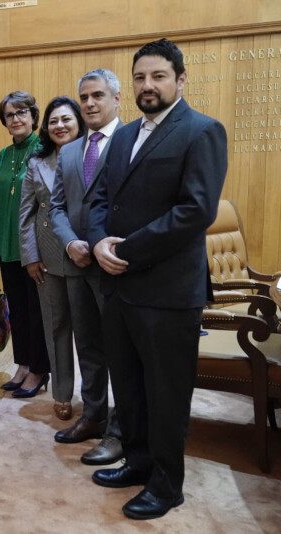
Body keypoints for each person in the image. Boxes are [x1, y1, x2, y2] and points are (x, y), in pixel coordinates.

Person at [88, 38, 227, 520]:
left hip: (167, 291)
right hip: (120, 286)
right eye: (141, 78)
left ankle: (167, 486)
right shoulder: (124, 135)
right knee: (128, 388)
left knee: (167, 396)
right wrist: (101, 239)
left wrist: (125, 250)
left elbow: (195, 211)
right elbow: (102, 198)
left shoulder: (202, 131)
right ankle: (140, 461)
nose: (148, 85)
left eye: (159, 76)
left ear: (180, 80)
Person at [49, 69, 125, 466]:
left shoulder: (133, 142)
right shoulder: (71, 152)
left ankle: (121, 429)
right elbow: (57, 206)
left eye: (98, 95)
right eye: (84, 97)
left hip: (116, 266)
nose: (91, 103)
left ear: (116, 98)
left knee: (121, 351)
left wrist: (101, 246)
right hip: (77, 262)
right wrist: (70, 241)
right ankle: (93, 415)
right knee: (88, 346)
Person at [19, 96, 84, 416]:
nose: (60, 126)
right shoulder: (36, 163)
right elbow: (26, 214)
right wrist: (30, 257)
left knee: (88, 331)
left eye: (66, 119)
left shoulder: (94, 155)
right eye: (54, 121)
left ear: (79, 122)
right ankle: (61, 394)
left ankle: (95, 398)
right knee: (55, 327)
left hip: (87, 257)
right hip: (47, 259)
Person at [0, 91, 50, 397]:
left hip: (33, 247)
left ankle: (40, 369)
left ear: (32, 116)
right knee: (17, 310)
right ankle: (24, 364)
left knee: (36, 312)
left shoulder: (43, 149)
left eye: (20, 113)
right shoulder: (3, 155)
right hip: (6, 245)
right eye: (9, 115)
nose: (15, 119)